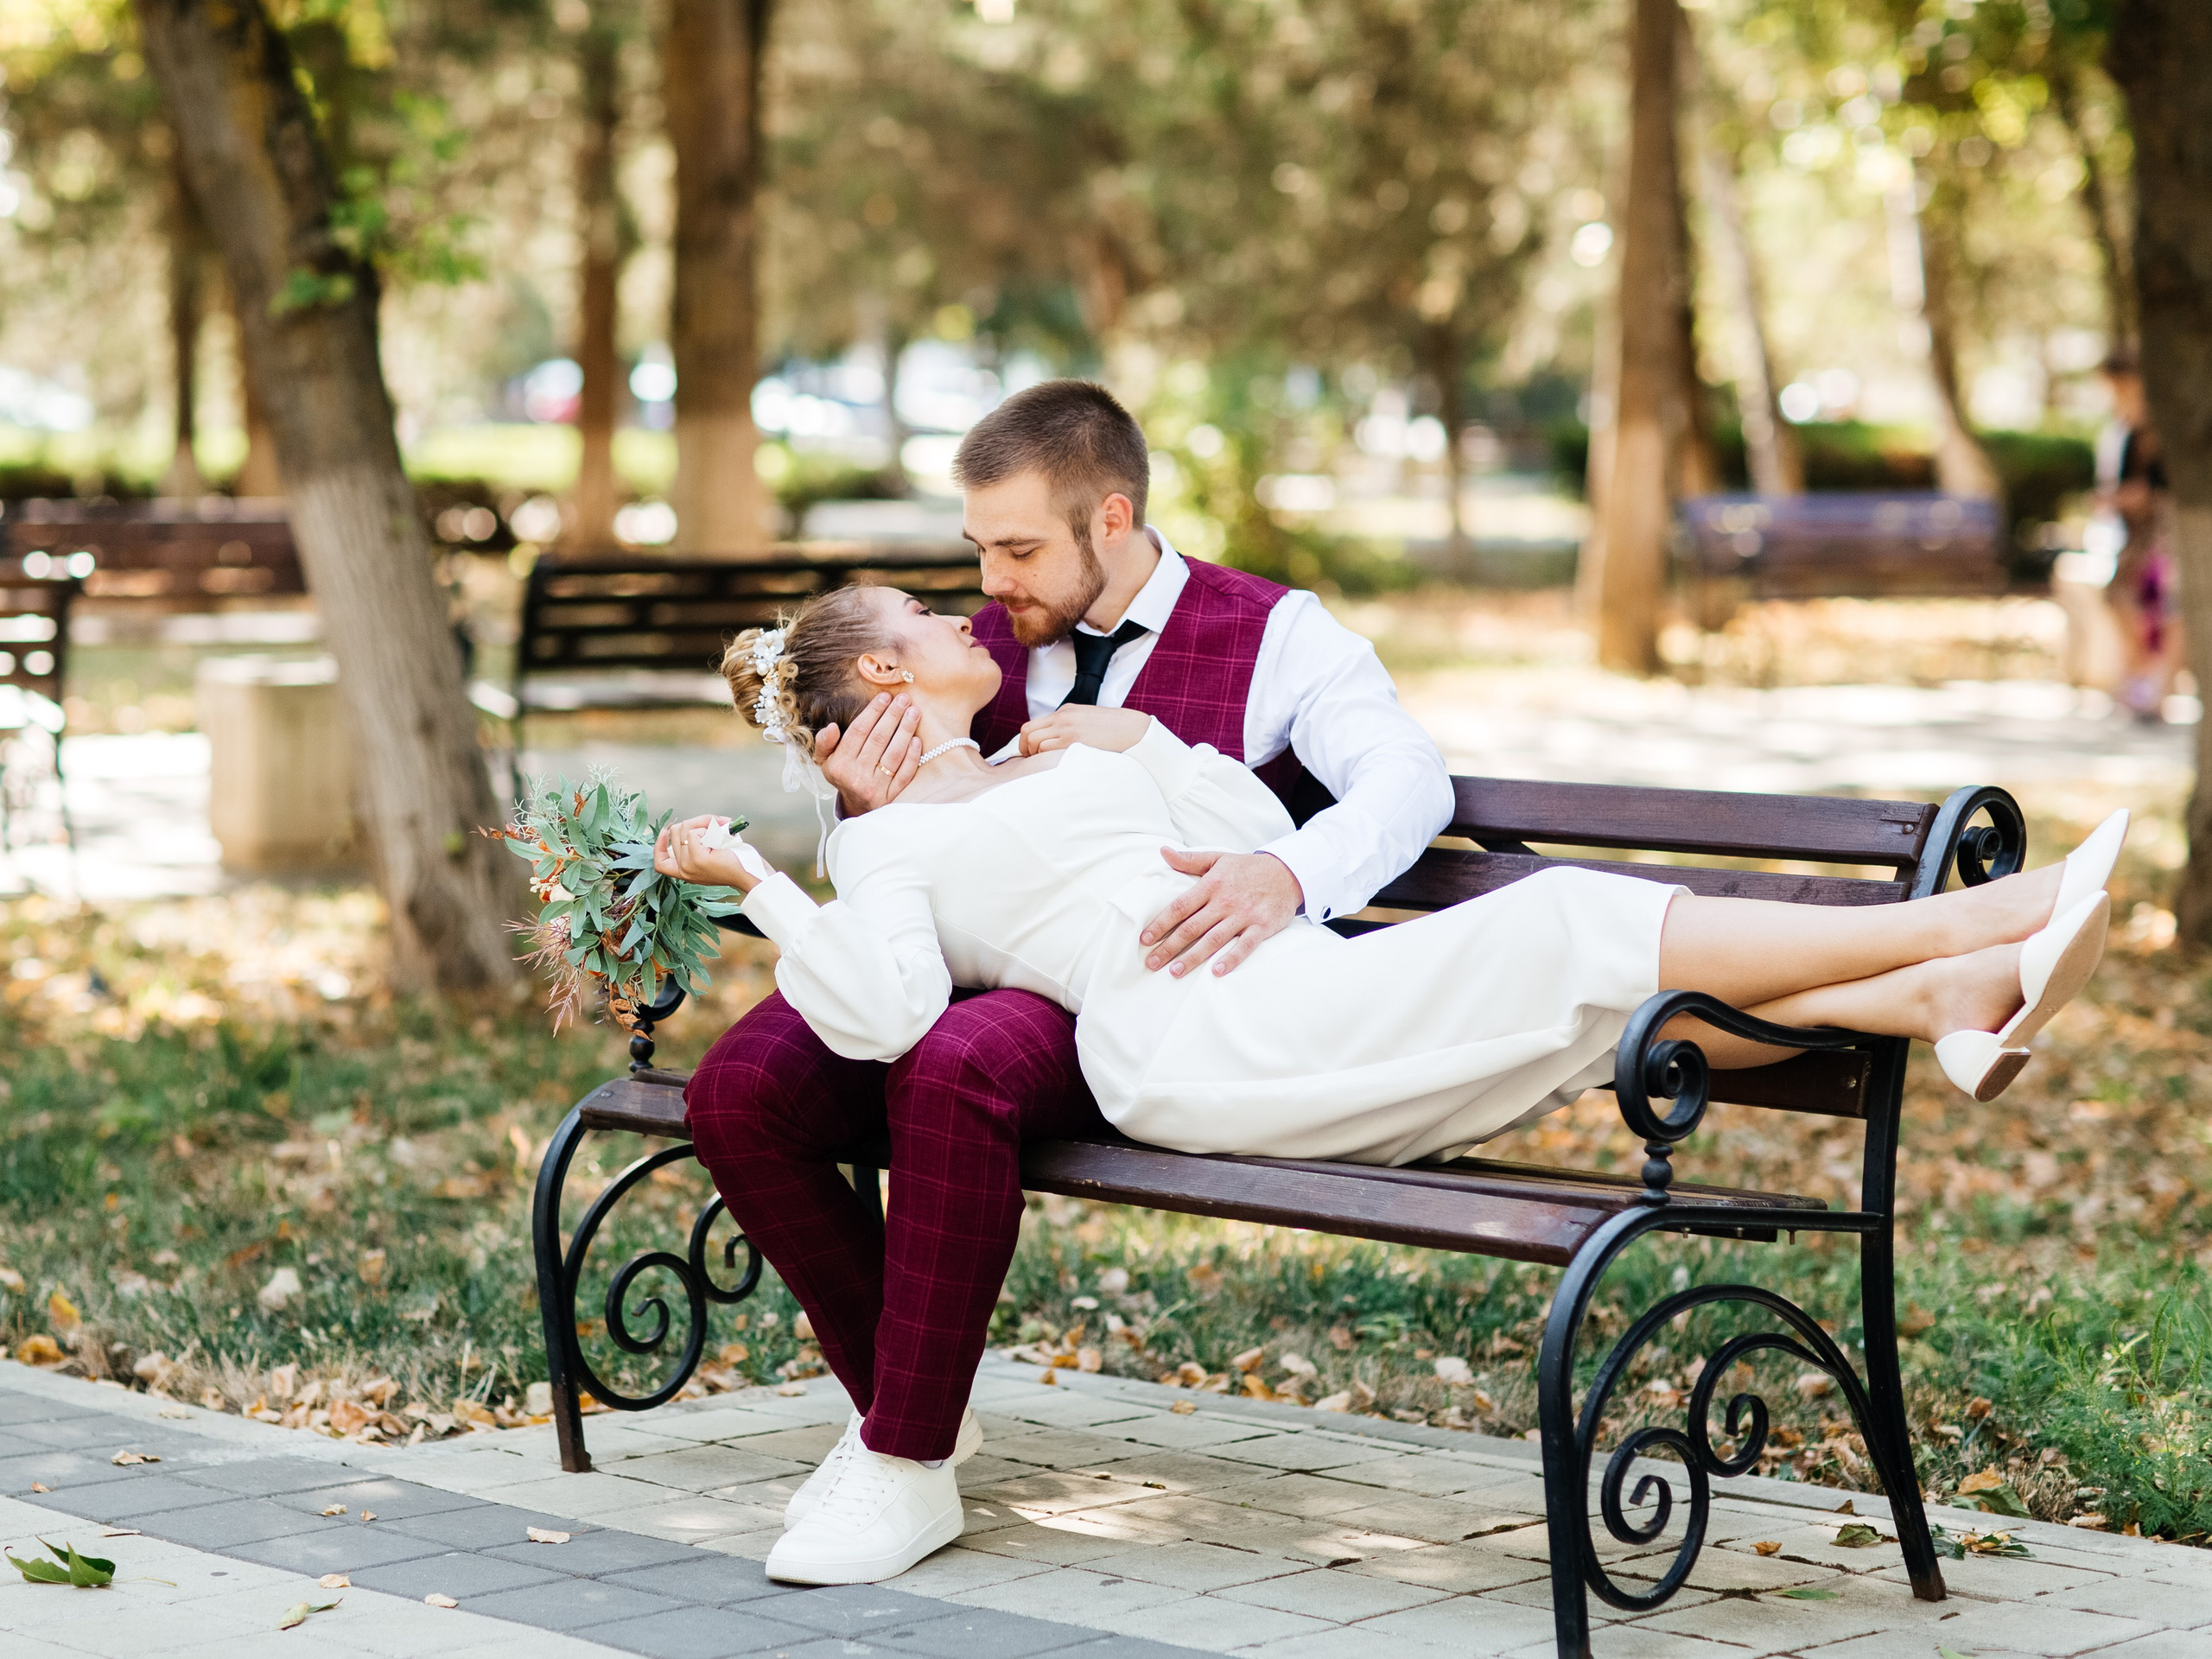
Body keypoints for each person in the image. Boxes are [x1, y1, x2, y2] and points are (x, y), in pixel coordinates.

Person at [660, 580, 2126, 1588]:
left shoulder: (1055, 744)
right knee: (1561, 930)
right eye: (922, 617)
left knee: (1579, 980)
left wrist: (1144, 739)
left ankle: (1945, 992)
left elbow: (1240, 832)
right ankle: (1981, 921)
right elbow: (891, 1008)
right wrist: (763, 887)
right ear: (885, 677)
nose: (956, 609)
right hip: (1195, 1043)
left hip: (1279, 982)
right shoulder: (886, 845)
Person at [679, 380, 1456, 1586]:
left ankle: (903, 1460)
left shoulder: (1278, 632)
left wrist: (1286, 875)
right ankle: (908, 1398)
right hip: (943, 967)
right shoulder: (970, 653)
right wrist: (853, 804)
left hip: (1149, 996)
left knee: (954, 1064)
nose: (992, 587)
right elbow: (890, 849)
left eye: (1022, 550)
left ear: (1112, 517)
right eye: (977, 552)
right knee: (737, 1090)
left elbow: (1408, 783)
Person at [2095, 353, 2182, 721]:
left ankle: (2157, 687)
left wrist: (2124, 498)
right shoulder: (2127, 431)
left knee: (2173, 607)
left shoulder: (2164, 428)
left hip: (2167, 533)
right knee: (2121, 595)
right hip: (2138, 534)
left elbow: (2160, 490)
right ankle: (2139, 678)